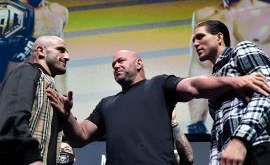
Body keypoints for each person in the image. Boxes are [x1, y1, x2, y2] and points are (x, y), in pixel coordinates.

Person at [47, 49, 270, 165]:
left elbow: (194, 86)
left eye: (121, 60)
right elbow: (80, 137)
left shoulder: (159, 84)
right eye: (113, 64)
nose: (116, 65)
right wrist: (66, 117)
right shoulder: (107, 104)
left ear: (139, 63)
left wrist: (235, 81)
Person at [187, 0, 270, 133]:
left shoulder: (266, 12)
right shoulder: (204, 16)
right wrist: (197, 121)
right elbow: (200, 67)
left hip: (263, 96)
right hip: (225, 105)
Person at [192, 20, 270, 165]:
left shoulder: (242, 50)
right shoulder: (215, 81)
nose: (195, 43)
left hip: (257, 146)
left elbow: (266, 93)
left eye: (200, 37)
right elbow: (218, 130)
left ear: (219, 37)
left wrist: (240, 141)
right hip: (231, 157)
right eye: (193, 40)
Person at [0, 36, 70, 165]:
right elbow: (13, 119)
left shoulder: (52, 90)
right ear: (40, 51)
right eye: (60, 50)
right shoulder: (27, 72)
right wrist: (31, 157)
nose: (67, 57)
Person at [0, 0, 68, 88]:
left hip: (40, 92)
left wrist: (62, 94)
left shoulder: (58, 12)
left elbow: (60, 57)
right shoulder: (3, 9)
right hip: (6, 90)